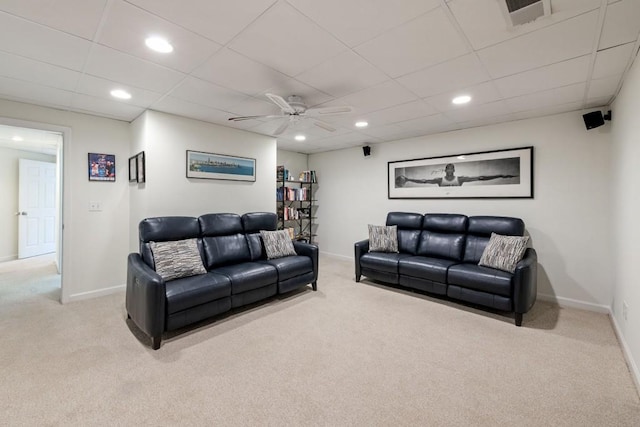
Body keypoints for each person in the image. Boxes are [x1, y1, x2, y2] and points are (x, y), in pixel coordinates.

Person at [395, 163, 518, 187]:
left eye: (451, 168)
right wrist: (408, 179)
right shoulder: (439, 180)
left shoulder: (460, 179)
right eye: (448, 168)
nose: (450, 170)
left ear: (454, 170)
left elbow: (481, 178)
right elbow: (424, 181)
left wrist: (500, 175)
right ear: (445, 170)